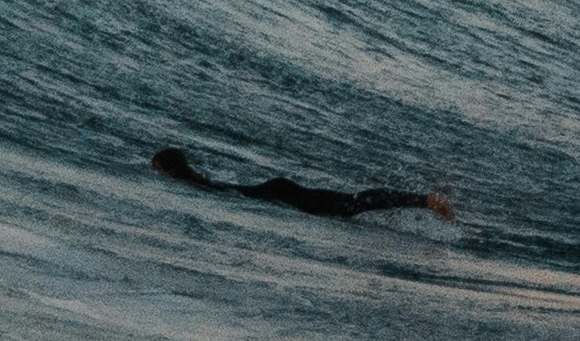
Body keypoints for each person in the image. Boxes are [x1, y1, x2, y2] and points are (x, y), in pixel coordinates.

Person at [151, 146, 454, 223]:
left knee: (352, 205)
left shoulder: (193, 184)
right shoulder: (199, 179)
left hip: (277, 193)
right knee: (352, 203)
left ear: (169, 170)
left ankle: (427, 201)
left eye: (157, 170)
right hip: (276, 189)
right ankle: (425, 201)